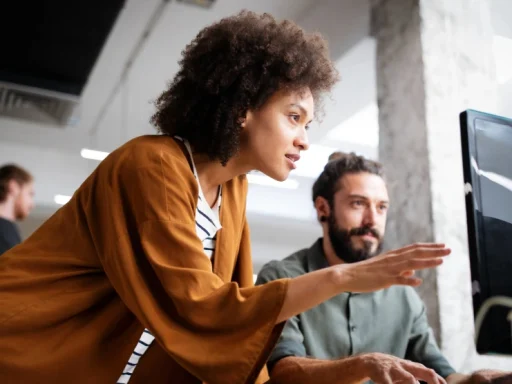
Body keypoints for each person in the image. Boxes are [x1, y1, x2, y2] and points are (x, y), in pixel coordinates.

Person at [0, 12, 451, 384]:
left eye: (308, 124)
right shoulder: (151, 166)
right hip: (23, 349)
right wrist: (341, 278)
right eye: (293, 117)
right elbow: (203, 309)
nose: (302, 140)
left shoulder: (231, 192)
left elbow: (235, 320)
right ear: (241, 109)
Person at [257, 152, 511, 384]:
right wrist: (364, 365)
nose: (372, 220)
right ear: (323, 208)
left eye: (381, 207)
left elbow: (440, 373)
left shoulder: (403, 294)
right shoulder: (282, 278)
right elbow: (283, 373)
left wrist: (475, 380)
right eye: (358, 204)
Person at [0, 164, 34, 256]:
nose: (32, 204)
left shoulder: (10, 231)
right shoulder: (4, 232)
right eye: (30, 194)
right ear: (14, 187)